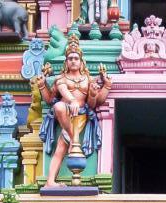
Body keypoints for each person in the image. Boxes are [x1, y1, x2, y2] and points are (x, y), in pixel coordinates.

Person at [37, 35, 111, 189]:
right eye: (70, 58)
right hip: (65, 113)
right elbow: (51, 99)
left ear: (81, 61)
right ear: (66, 61)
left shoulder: (87, 79)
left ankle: (51, 180)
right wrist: (42, 85)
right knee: (58, 107)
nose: (73, 61)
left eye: (76, 58)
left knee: (61, 148)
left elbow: (95, 103)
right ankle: (74, 140)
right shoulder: (61, 78)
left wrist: (100, 89)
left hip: (81, 115)